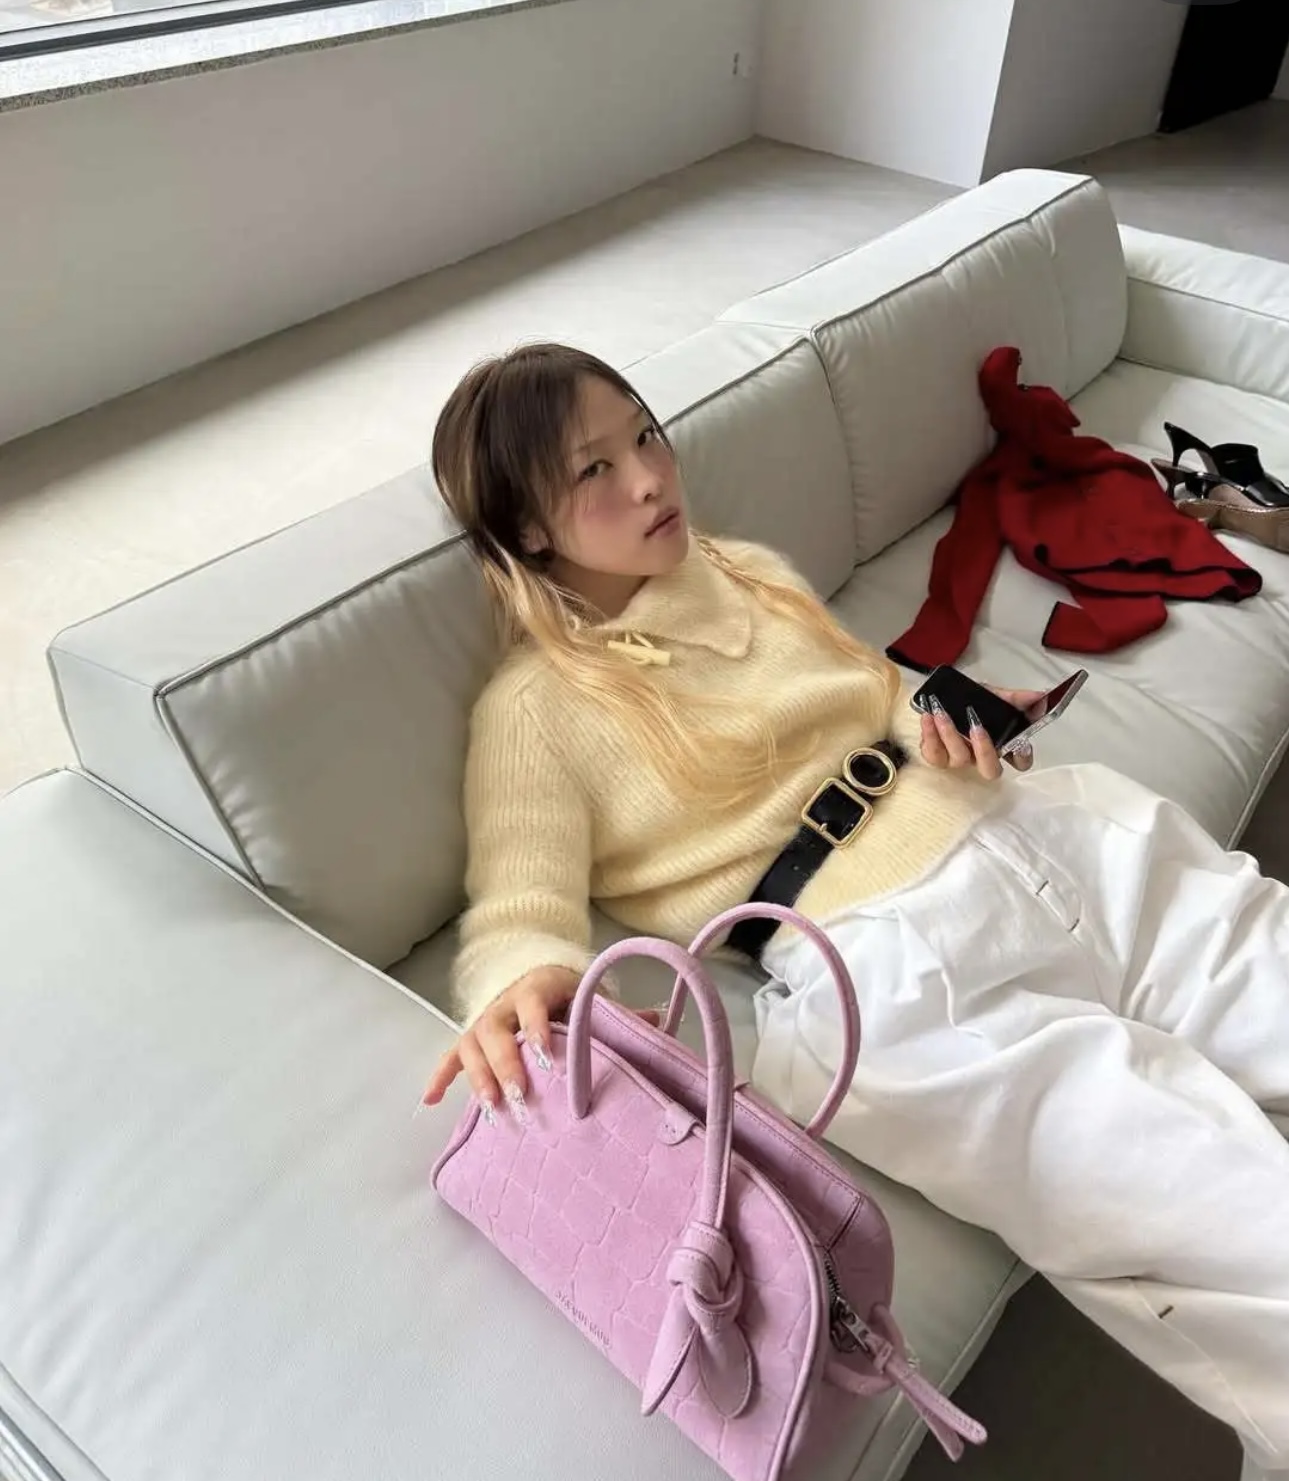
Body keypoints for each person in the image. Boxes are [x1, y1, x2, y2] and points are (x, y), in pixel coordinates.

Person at [420, 342, 1289, 1481]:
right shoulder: (535, 708)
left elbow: (876, 691)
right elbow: (520, 899)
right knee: (1221, 1217)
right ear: (530, 531)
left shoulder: (738, 569)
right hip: (889, 970)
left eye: (644, 434)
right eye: (594, 470)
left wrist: (954, 716)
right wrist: (516, 984)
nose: (648, 477)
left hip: (1042, 834)